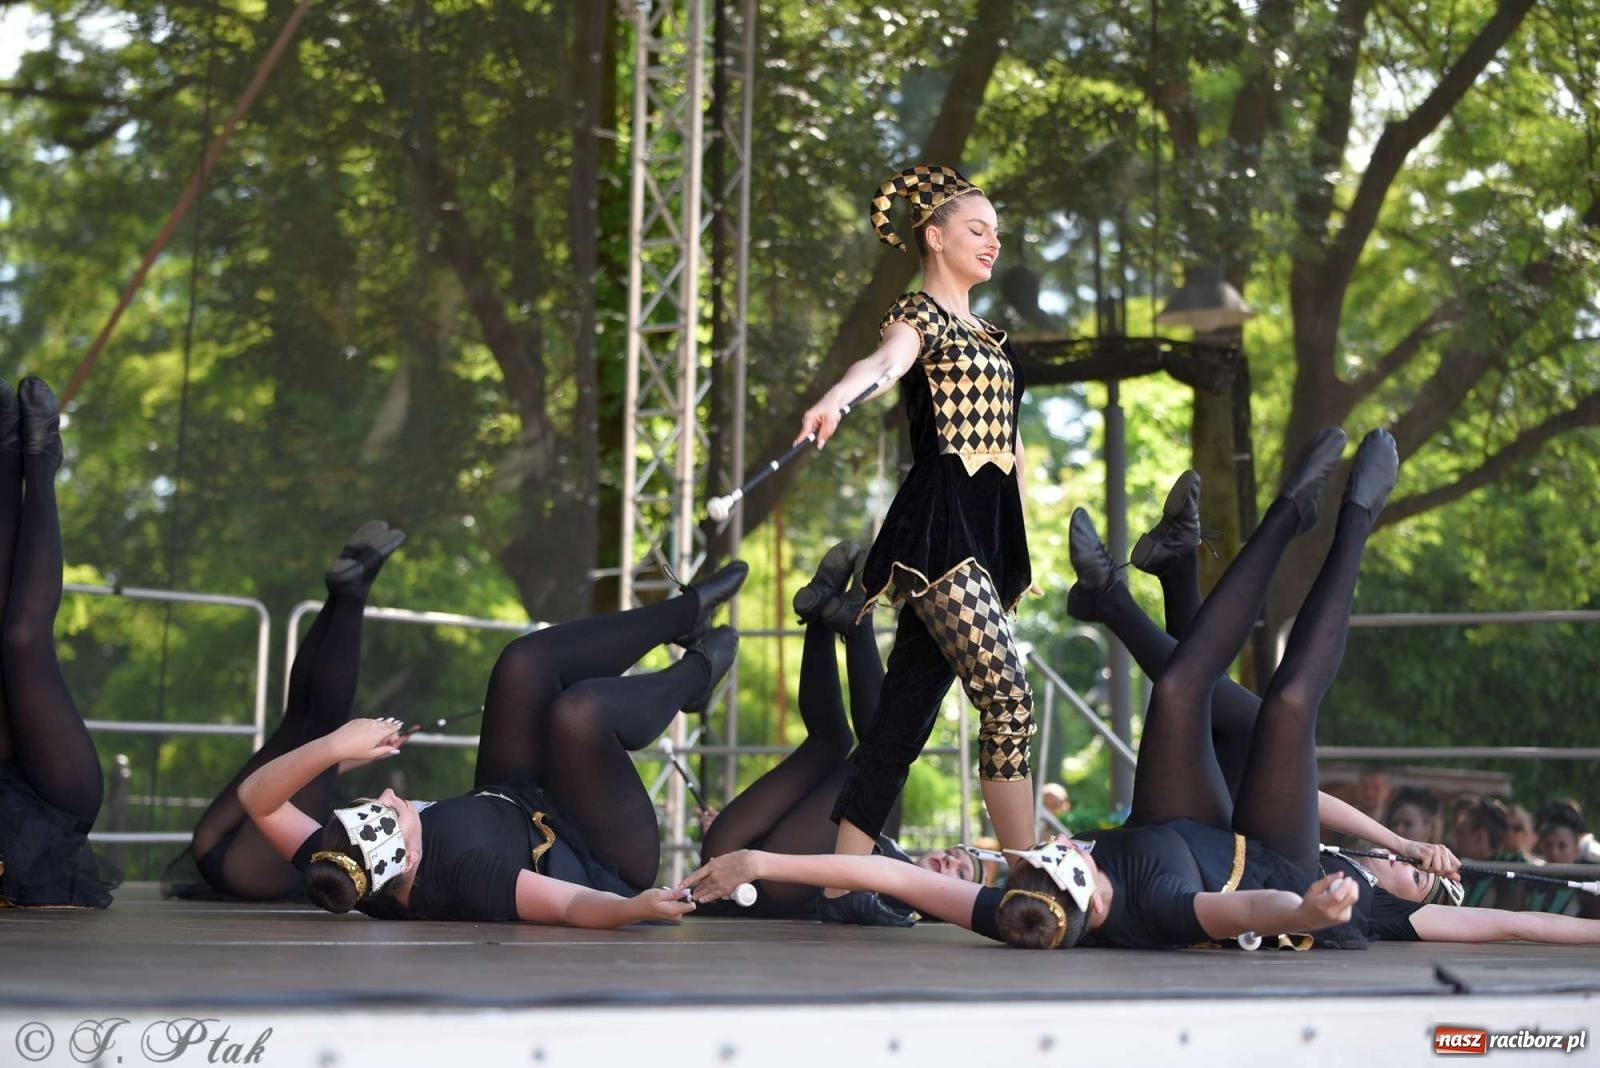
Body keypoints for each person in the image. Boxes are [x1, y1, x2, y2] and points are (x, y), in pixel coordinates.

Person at [684, 439, 1600, 948]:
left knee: (1177, 697)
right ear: (1089, 906)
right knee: (1284, 708)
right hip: (1267, 863)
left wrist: (766, 867)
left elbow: (881, 871)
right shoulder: (1163, 912)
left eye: (1044, 861)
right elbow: (1249, 911)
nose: (1053, 854)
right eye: (1061, 867)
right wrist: (1312, 910)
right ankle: (1354, 518)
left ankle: (1284, 516)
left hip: (1189, 821)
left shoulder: (1021, 901)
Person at [234, 558, 747, 926]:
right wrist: (632, 908)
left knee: (520, 665)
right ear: (409, 861)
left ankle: (687, 613)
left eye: (376, 802)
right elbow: (570, 904)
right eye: (395, 816)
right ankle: (696, 676)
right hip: (595, 854)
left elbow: (256, 799)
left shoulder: (344, 860)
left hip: (518, 797)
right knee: (579, 713)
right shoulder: (464, 875)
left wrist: (334, 747)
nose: (391, 797)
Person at [795, 165, 1037, 917]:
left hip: (988, 532)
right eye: (976, 229)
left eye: (997, 232)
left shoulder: (989, 334)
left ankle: (841, 887)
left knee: (902, 719)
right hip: (942, 530)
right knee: (1007, 697)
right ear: (934, 236)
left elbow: (1013, 446)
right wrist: (839, 397)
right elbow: (886, 362)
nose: (993, 242)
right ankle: (1034, 877)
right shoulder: (918, 314)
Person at [698, 540, 986, 926]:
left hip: (757, 884)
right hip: (733, 852)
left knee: (881, 761)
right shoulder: (892, 848)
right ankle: (820, 613)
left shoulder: (905, 903)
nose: (950, 860)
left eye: (961, 873)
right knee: (831, 744)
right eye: (956, 853)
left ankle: (855, 617)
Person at [164, 520, 409, 901]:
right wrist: (344, 753)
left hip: (228, 846)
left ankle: (349, 592)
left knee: (303, 725)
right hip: (243, 865)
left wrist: (345, 754)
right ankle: (350, 592)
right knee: (308, 728)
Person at [0, 377, 120, 908]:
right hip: (54, 809)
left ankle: (13, 451)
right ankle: (40, 458)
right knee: (22, 638)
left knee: (15, 637)